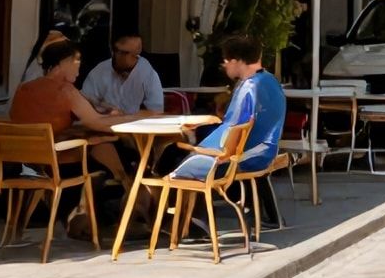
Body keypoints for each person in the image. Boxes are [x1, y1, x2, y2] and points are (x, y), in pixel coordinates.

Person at [10, 38, 135, 190]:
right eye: (77, 61)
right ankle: (125, 186)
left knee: (96, 139)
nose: (79, 67)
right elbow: (96, 122)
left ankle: (122, 183)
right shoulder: (65, 91)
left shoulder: (23, 89)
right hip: (54, 162)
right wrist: (131, 121)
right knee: (103, 143)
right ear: (64, 61)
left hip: (23, 160)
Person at [167, 32, 285, 183]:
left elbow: (233, 133)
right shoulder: (271, 81)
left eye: (226, 61)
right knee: (186, 149)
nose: (224, 65)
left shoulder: (248, 88)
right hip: (266, 153)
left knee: (173, 157)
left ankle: (152, 203)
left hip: (240, 158)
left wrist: (196, 143)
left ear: (236, 62)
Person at [81, 34, 165, 115]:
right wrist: (103, 109)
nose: (118, 56)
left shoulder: (148, 74)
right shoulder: (98, 72)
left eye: (126, 53)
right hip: (102, 123)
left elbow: (156, 112)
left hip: (136, 126)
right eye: (118, 51)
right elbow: (83, 105)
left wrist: (127, 116)